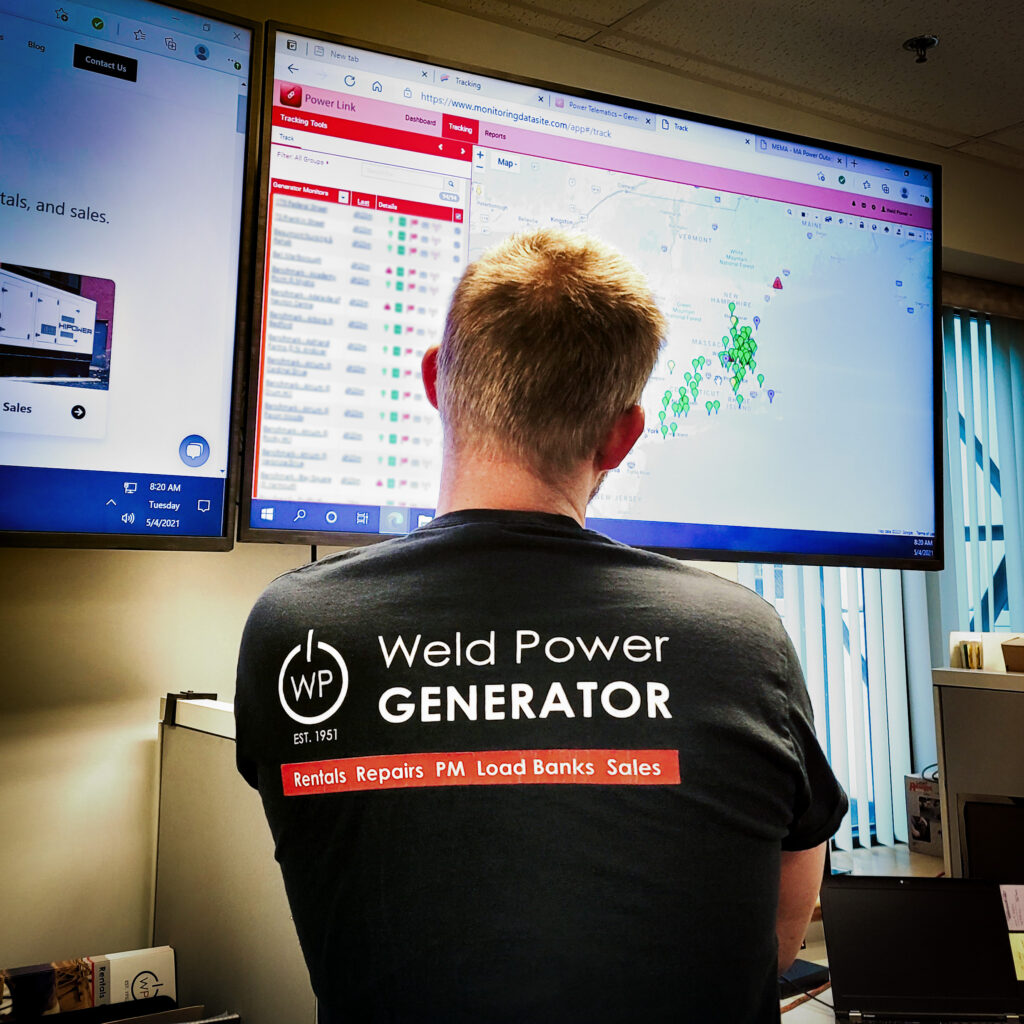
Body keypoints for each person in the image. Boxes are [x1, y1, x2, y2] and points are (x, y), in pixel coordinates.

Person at [235, 228, 847, 1023]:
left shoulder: (296, 629)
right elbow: (777, 937)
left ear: (435, 379)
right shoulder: (741, 636)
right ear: (623, 436)